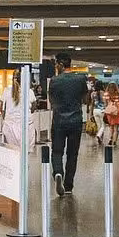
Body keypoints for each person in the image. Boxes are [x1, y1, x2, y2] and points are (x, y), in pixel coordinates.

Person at [49, 52, 89, 197]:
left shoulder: (54, 80)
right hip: (76, 121)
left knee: (57, 151)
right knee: (72, 154)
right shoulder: (80, 79)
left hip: (59, 120)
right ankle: (68, 186)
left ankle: (58, 172)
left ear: (60, 64)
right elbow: (85, 99)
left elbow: (51, 100)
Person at [0, 70, 37, 152]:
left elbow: (2, 109)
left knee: (12, 154)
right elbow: (33, 107)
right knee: (25, 154)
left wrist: (7, 119)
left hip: (10, 126)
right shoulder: (29, 92)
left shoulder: (6, 91)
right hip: (26, 126)